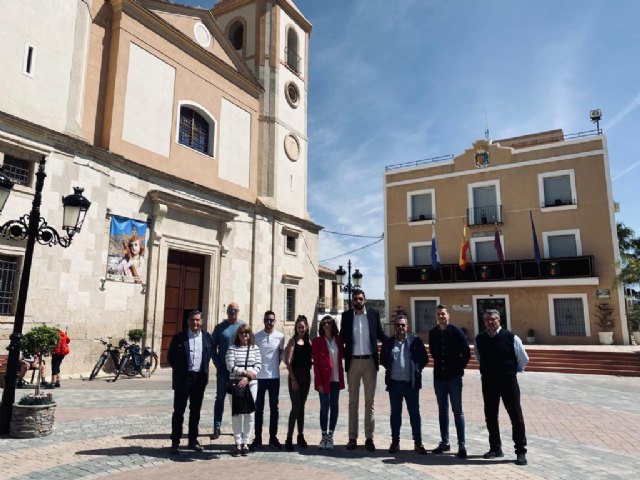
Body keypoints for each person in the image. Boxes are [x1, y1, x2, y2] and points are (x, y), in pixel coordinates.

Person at [475, 309, 529, 466]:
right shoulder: (480, 339)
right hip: (489, 382)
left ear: (499, 320)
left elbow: (523, 358)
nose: (490, 322)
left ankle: (520, 451)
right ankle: (495, 448)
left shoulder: (511, 337)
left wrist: (513, 371)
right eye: (486, 320)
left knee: (516, 417)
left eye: (492, 319)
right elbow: (479, 358)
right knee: (491, 416)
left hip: (508, 382)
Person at [340, 289, 387, 451]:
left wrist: (395, 342)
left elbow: (380, 334)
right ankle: (352, 437)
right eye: (355, 299)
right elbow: (341, 338)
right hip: (353, 362)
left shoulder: (373, 314)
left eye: (360, 298)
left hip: (369, 362)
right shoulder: (346, 317)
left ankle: (369, 437)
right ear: (352, 301)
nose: (358, 301)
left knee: (369, 401)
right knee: (353, 401)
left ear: (365, 300)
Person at [380, 314, 429, 454]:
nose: (400, 327)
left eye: (403, 325)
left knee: (414, 414)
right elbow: (383, 359)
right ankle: (395, 442)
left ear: (407, 326)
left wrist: (416, 369)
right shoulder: (389, 342)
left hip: (410, 385)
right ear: (394, 327)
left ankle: (418, 443)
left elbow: (424, 359)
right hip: (394, 385)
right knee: (395, 414)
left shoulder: (415, 341)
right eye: (397, 325)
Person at [167, 309, 213, 455]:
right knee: (179, 412)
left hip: (199, 379)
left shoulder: (207, 337)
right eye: (192, 320)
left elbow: (208, 355)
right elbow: (171, 357)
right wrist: (181, 370)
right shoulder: (179, 337)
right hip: (183, 379)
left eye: (198, 320)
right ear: (188, 321)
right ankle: (175, 441)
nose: (195, 322)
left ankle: (193, 440)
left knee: (195, 412)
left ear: (202, 321)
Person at [429, 305, 471, 458]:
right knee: (442, 410)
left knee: (457, 411)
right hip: (439, 378)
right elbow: (433, 352)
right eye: (439, 314)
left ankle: (462, 445)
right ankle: (445, 442)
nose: (441, 316)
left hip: (454, 378)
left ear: (448, 316)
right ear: (436, 316)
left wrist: (459, 368)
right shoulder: (433, 333)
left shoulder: (456, 331)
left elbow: (466, 352)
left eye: (443, 314)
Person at [211, 302, 245, 439]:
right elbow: (213, 348)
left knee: (237, 399)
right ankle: (217, 427)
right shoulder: (219, 328)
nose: (232, 312)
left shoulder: (243, 327)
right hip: (223, 370)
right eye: (230, 310)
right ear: (227, 312)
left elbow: (248, 346)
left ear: (238, 311)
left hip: (237, 371)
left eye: (235, 310)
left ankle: (237, 429)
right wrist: (218, 364)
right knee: (220, 398)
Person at [252, 310, 285, 450]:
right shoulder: (257, 336)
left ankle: (273, 437)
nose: (269, 323)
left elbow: (280, 355)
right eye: (267, 320)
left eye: (271, 320)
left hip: (274, 378)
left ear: (275, 321)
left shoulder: (280, 337)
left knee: (274, 409)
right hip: (260, 378)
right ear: (263, 321)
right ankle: (257, 438)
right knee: (258, 409)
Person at [225, 325, 261, 456]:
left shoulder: (255, 348)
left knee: (249, 413)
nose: (244, 335)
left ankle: (246, 442)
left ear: (250, 335)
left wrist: (247, 378)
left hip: (251, 384)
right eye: (241, 333)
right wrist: (244, 372)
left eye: (247, 333)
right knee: (237, 413)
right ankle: (238, 443)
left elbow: (258, 365)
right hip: (236, 385)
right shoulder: (232, 348)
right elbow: (230, 365)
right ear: (238, 335)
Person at [312, 315, 345, 450]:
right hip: (323, 380)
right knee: (324, 408)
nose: (326, 325)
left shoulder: (339, 340)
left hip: (336, 379)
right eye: (324, 323)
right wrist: (318, 382)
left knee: (334, 407)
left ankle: (331, 435)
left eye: (329, 323)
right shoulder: (317, 342)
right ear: (321, 326)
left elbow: (342, 355)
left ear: (333, 325)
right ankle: (324, 436)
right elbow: (316, 365)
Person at [284, 315, 312, 451]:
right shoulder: (292, 342)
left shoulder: (309, 342)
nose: (301, 329)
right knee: (296, 407)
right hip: (295, 376)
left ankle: (300, 435)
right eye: (299, 326)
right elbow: (288, 361)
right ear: (296, 328)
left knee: (302, 407)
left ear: (307, 327)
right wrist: (293, 379)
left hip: (306, 377)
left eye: (303, 326)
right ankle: (289, 437)